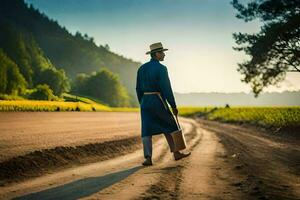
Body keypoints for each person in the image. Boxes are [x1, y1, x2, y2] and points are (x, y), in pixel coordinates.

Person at [136, 42, 191, 166]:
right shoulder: (161, 68)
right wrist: (173, 105)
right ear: (156, 54)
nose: (164, 55)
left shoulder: (141, 68)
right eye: (162, 52)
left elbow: (138, 88)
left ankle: (148, 158)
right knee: (170, 126)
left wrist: (142, 102)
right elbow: (166, 88)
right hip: (158, 100)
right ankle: (176, 153)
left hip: (145, 102)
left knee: (146, 130)